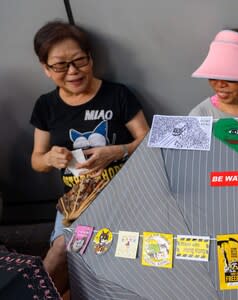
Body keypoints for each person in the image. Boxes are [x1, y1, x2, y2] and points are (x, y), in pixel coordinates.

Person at [30, 21, 149, 295]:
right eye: (60, 65)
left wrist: (118, 150)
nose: (72, 71)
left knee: (127, 262)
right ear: (46, 69)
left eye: (79, 61)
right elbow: (35, 160)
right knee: (57, 256)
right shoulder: (45, 106)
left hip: (125, 196)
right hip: (77, 203)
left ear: (91, 58)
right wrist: (49, 158)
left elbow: (148, 139)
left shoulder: (117, 95)